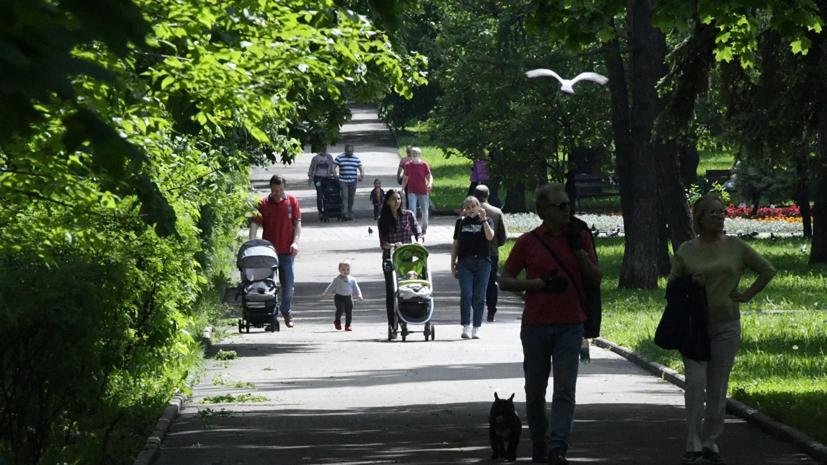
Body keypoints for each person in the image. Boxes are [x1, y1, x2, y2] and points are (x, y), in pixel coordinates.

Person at [500, 183, 603, 465]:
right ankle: (539, 440)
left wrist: (579, 251)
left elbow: (596, 278)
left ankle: (558, 447)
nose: (567, 210)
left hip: (571, 325)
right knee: (535, 390)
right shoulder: (529, 241)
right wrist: (536, 284)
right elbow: (504, 280)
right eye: (560, 206)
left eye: (569, 205)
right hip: (535, 325)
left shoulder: (580, 237)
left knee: (565, 389)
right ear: (543, 210)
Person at [671, 195, 775, 465]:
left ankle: (711, 442)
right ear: (700, 219)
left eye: (722, 212)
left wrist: (747, 294)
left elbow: (767, 270)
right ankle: (692, 443)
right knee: (695, 383)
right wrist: (691, 281)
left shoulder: (736, 246)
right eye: (713, 213)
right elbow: (671, 287)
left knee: (717, 389)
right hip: (694, 328)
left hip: (726, 326)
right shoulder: (686, 249)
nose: (720, 217)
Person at [250, 174, 302, 328]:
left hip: (287, 251)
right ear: (270, 188)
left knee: (288, 286)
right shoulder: (263, 203)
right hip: (268, 252)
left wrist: (295, 242)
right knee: (267, 286)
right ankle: (270, 315)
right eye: (274, 190)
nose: (277, 194)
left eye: (280, 190)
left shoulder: (291, 201)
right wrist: (252, 242)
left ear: (284, 188)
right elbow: (254, 224)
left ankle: (286, 311)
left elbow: (297, 224)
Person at [377, 189, 424, 339]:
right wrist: (393, 245)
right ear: (387, 201)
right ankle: (392, 324)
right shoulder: (382, 220)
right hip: (390, 258)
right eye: (393, 199)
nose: (396, 202)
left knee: (408, 287)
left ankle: (407, 318)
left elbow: (418, 233)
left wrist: (418, 242)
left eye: (398, 199)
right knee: (392, 291)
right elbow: (383, 243)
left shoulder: (408, 215)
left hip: (408, 257)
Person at [451, 196, 495, 339]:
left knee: (479, 296)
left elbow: (490, 237)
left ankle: (477, 327)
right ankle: (466, 326)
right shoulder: (461, 223)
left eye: (473, 207)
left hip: (483, 263)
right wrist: (452, 265)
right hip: (465, 263)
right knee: (466, 294)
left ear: (478, 207)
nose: (470, 210)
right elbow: (455, 245)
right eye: (467, 207)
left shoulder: (487, 221)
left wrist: (483, 220)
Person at [474, 185, 508, 322]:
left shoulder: (469, 212)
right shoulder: (497, 212)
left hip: (474, 253)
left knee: (475, 282)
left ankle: (476, 310)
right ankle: (491, 311)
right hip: (491, 253)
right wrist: (495, 244)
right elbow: (503, 236)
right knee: (491, 282)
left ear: (475, 195)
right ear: (488, 195)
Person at [321, 260, 363, 331]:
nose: (345, 271)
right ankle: (337, 321)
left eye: (348, 269)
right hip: (339, 297)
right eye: (343, 269)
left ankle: (348, 325)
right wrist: (326, 293)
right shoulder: (337, 279)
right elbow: (332, 286)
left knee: (348, 312)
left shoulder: (352, 279)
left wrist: (359, 295)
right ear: (339, 270)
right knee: (340, 310)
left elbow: (356, 288)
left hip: (348, 298)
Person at [400, 147, 433, 234]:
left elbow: (429, 176)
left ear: (419, 154)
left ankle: (424, 228)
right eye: (413, 153)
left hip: (423, 191)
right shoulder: (407, 165)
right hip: (411, 191)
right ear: (410, 154)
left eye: (416, 153)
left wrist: (430, 183)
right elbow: (405, 178)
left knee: (424, 210)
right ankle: (413, 228)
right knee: (412, 210)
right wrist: (402, 189)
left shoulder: (424, 164)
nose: (414, 155)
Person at [332, 144, 364, 220]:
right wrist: (334, 173)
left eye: (351, 151)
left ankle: (349, 212)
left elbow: (361, 168)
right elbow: (333, 165)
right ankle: (345, 214)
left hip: (353, 181)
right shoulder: (340, 157)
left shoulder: (356, 158)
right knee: (345, 197)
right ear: (345, 151)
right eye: (348, 151)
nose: (349, 153)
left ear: (353, 151)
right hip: (343, 180)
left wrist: (361, 175)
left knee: (351, 198)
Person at [308, 148, 334, 217]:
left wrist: (334, 175)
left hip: (327, 178)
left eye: (325, 148)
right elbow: (312, 167)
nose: (324, 150)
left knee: (327, 193)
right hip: (318, 178)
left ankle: (327, 208)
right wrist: (310, 176)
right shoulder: (316, 158)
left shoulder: (329, 157)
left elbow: (332, 167)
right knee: (319, 193)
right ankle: (320, 210)